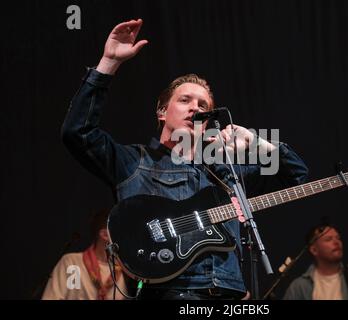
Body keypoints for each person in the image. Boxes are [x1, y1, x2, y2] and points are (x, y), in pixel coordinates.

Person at [61, 19, 308, 300]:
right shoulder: (134, 162)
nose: (195, 108)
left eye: (203, 106)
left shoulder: (227, 171)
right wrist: (108, 62)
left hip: (230, 293)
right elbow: (76, 132)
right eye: (185, 100)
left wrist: (256, 142)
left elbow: (295, 173)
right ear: (162, 112)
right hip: (171, 292)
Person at [42, 209, 127, 300]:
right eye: (121, 232)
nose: (126, 237)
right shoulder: (72, 262)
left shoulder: (126, 270)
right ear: (105, 235)